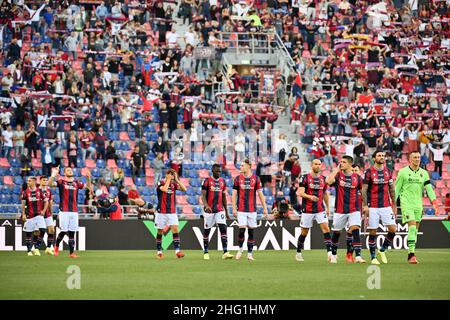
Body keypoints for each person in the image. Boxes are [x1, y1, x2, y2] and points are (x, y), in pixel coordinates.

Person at [395, 151, 439, 264]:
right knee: (412, 227)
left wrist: (434, 202)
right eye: (415, 157)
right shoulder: (403, 172)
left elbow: (429, 188)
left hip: (418, 205)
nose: (417, 159)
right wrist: (393, 204)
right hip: (406, 204)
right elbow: (396, 190)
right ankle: (411, 254)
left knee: (415, 230)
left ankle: (411, 251)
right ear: (410, 159)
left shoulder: (424, 173)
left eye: (418, 157)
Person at [326, 156, 366, 264]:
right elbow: (328, 181)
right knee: (337, 233)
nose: (341, 163)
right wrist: (336, 170)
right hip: (340, 210)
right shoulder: (338, 175)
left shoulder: (357, 178)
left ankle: (358, 256)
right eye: (340, 162)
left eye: (343, 162)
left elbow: (363, 192)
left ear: (349, 164)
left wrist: (366, 205)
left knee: (355, 229)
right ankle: (333, 255)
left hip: (354, 209)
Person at [362, 151, 397, 265]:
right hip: (373, 207)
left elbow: (392, 189)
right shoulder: (368, 172)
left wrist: (394, 205)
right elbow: (364, 190)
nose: (382, 157)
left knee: (393, 229)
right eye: (379, 155)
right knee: (373, 231)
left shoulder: (388, 171)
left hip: (386, 206)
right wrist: (365, 205)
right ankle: (373, 257)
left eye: (383, 156)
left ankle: (382, 250)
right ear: (374, 158)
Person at [49, 166, 92, 258]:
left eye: (71, 170)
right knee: (64, 231)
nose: (70, 171)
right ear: (64, 173)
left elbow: (88, 187)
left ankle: (72, 253)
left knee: (72, 232)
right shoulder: (61, 181)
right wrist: (53, 175)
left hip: (74, 211)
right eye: (68, 170)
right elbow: (50, 184)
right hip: (64, 211)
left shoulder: (76, 182)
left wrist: (88, 178)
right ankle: (56, 247)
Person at [232, 159, 268, 261]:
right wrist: (234, 208)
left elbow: (260, 194)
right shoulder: (237, 179)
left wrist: (265, 208)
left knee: (251, 232)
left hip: (252, 210)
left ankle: (250, 254)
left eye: (243, 165)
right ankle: (240, 250)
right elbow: (234, 195)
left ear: (249, 166)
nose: (241, 167)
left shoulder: (256, 179)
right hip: (241, 210)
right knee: (242, 230)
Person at [296, 159, 332, 262]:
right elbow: (300, 192)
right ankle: (298, 252)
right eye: (316, 164)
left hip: (320, 209)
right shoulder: (305, 177)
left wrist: (328, 207)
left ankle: (330, 254)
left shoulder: (323, 179)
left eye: (319, 164)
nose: (318, 166)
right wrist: (310, 197)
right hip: (307, 209)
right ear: (312, 165)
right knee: (304, 232)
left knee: (326, 228)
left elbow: (325, 193)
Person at [201, 164, 234, 260]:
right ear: (212, 170)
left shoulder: (222, 182)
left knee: (223, 229)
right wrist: (206, 206)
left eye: (220, 171)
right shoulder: (206, 181)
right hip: (209, 211)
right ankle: (206, 252)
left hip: (220, 210)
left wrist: (227, 212)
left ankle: (225, 252)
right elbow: (203, 196)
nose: (219, 173)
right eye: (217, 171)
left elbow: (223, 197)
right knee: (207, 231)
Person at [155, 169, 187, 259]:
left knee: (175, 229)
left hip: (172, 212)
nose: (171, 176)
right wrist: (168, 179)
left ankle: (177, 251)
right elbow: (164, 189)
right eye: (170, 174)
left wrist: (177, 180)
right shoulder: (160, 183)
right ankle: (159, 252)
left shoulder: (174, 184)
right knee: (160, 231)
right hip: (161, 212)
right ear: (166, 174)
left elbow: (185, 189)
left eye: (172, 174)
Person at [21, 177, 48, 256]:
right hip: (30, 216)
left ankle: (36, 247)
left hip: (39, 215)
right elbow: (23, 204)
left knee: (43, 230)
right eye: (28, 181)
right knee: (28, 233)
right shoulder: (25, 192)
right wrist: (23, 214)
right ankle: (29, 250)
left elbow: (46, 202)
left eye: (29, 181)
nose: (28, 182)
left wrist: (43, 210)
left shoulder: (40, 191)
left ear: (34, 182)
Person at [39, 175, 55, 256]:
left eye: (46, 180)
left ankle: (48, 248)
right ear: (40, 181)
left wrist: (51, 213)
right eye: (43, 180)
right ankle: (36, 247)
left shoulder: (49, 190)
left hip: (47, 213)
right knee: (40, 231)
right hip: (38, 214)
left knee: (51, 230)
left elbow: (50, 202)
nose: (45, 181)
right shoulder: (37, 190)